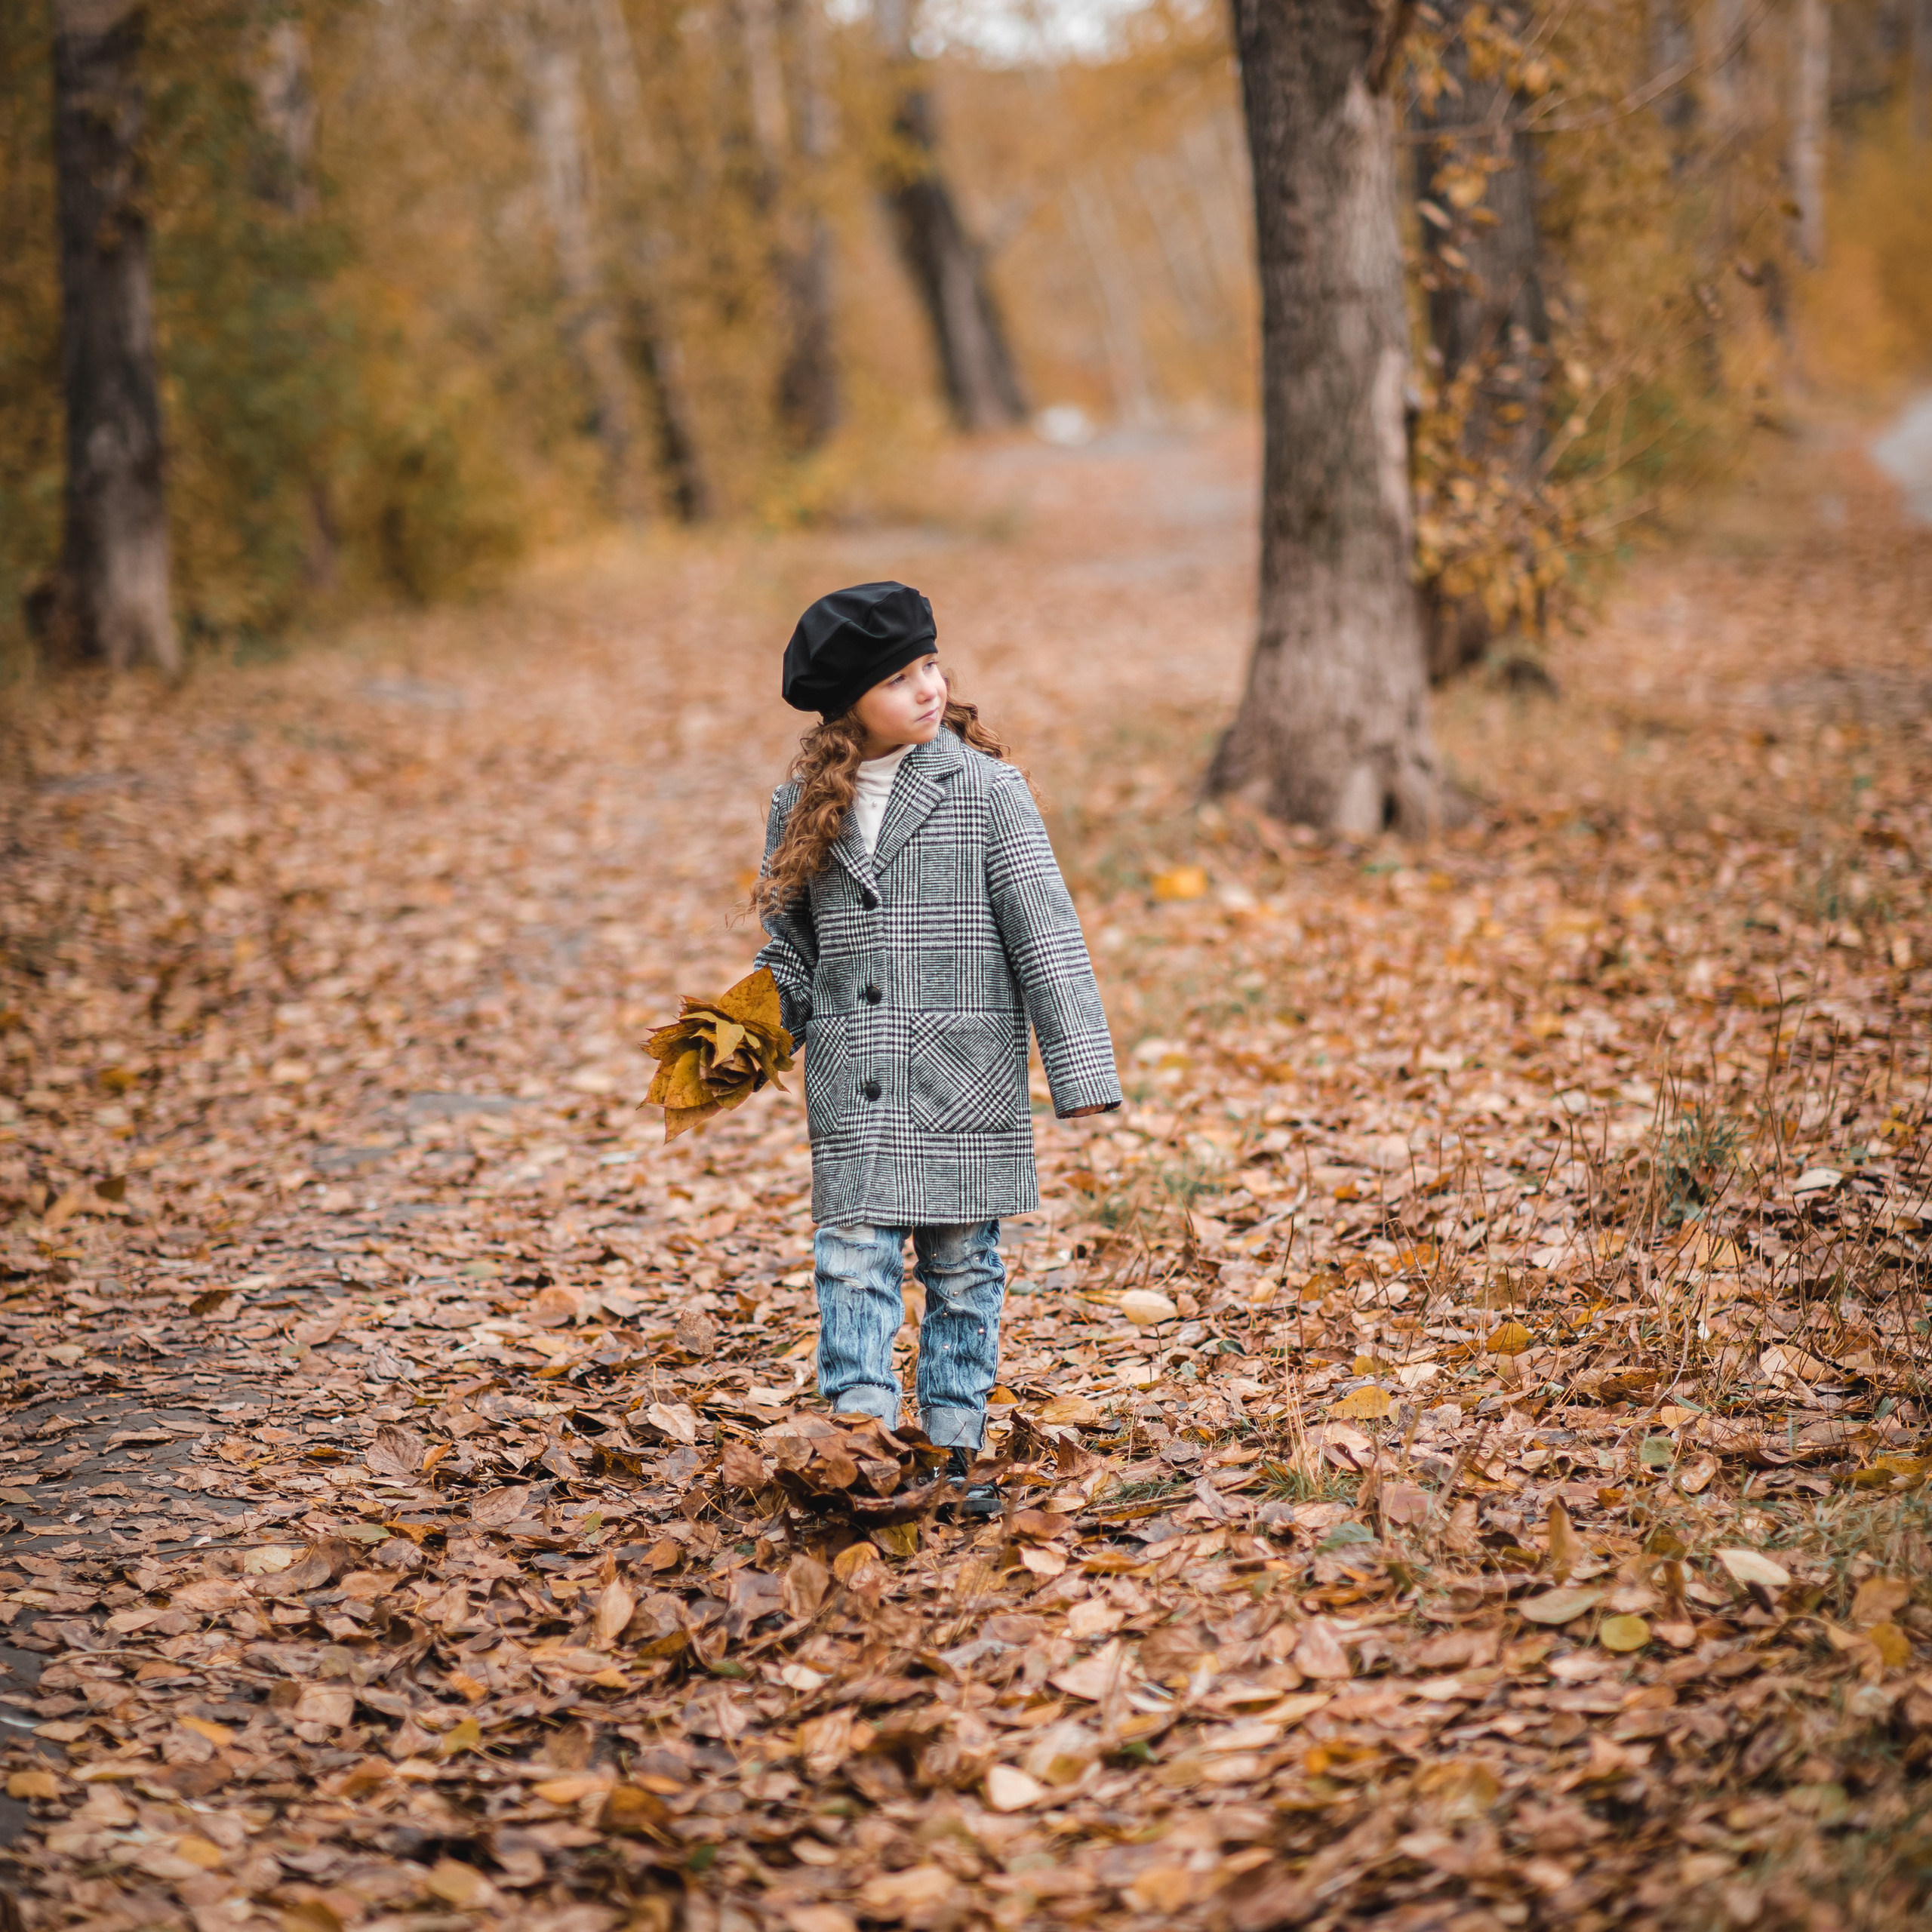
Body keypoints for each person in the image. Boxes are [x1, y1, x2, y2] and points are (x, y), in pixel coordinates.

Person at [752, 581, 1121, 1513]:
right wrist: (745, 1035)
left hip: (965, 1079)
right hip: (855, 1082)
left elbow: (1046, 934)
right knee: (851, 1262)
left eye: (930, 665)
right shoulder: (800, 806)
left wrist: (1079, 1069)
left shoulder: (987, 791)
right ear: (847, 703)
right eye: (897, 677)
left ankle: (954, 1449)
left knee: (961, 1270)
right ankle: (861, 1448)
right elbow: (791, 952)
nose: (927, 687)